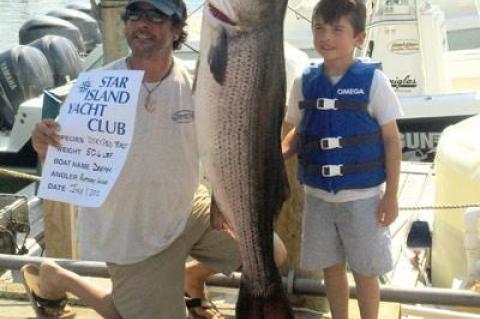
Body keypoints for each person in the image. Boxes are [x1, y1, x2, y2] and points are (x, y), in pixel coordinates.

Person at [25, 0, 242, 318]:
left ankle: (190, 277)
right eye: (135, 14)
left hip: (188, 209)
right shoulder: (94, 87)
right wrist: (43, 144)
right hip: (132, 233)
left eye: (155, 15)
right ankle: (59, 277)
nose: (142, 23)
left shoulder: (200, 85)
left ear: (176, 28)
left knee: (270, 254)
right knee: (122, 315)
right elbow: (63, 162)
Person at [281, 0, 403, 318]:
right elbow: (296, 132)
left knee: (365, 272)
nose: (327, 37)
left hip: (363, 199)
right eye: (319, 28)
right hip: (317, 198)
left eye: (337, 29)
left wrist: (391, 195)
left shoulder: (374, 83)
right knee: (331, 271)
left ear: (358, 38)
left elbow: (392, 140)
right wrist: (278, 154)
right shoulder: (302, 82)